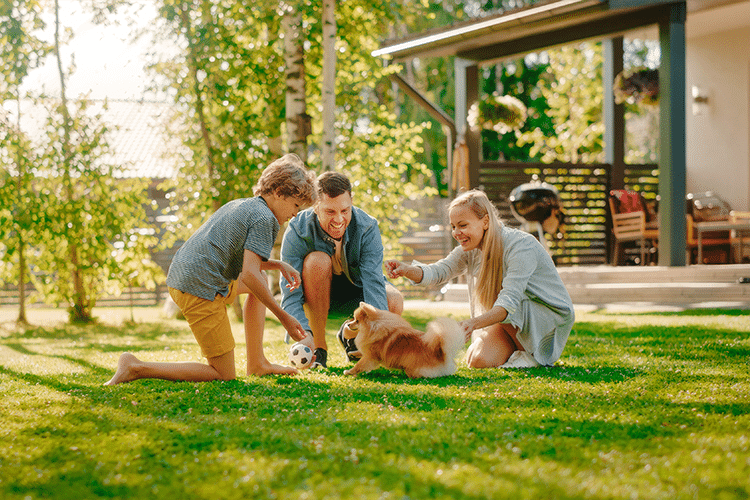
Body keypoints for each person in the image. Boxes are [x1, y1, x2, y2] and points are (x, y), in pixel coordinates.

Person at [104, 154, 317, 385]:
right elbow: (249, 274)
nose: (296, 213)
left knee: (262, 279)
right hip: (199, 287)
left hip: (186, 276)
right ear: (278, 192)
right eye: (296, 205)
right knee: (222, 374)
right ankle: (135, 367)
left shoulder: (245, 205)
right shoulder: (266, 219)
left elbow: (245, 262)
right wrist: (284, 316)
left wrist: (277, 264)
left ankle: (257, 363)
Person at [385, 189, 574, 369]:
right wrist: (407, 270)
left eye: (463, 225)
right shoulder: (471, 249)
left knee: (501, 301)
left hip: (544, 315)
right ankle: (518, 351)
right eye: (453, 226)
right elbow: (439, 271)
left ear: (485, 222)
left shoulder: (521, 247)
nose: (456, 233)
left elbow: (508, 303)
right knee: (477, 360)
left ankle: (533, 356)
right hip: (510, 319)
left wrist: (472, 323)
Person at [280, 171, 404, 368]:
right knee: (317, 261)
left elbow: (373, 283)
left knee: (394, 300)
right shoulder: (297, 229)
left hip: (357, 292)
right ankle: (319, 350)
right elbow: (290, 291)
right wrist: (304, 334)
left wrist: (377, 341)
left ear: (351, 202)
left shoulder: (367, 226)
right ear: (315, 205)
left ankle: (351, 338)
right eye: (330, 212)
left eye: (345, 211)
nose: (339, 220)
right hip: (315, 295)